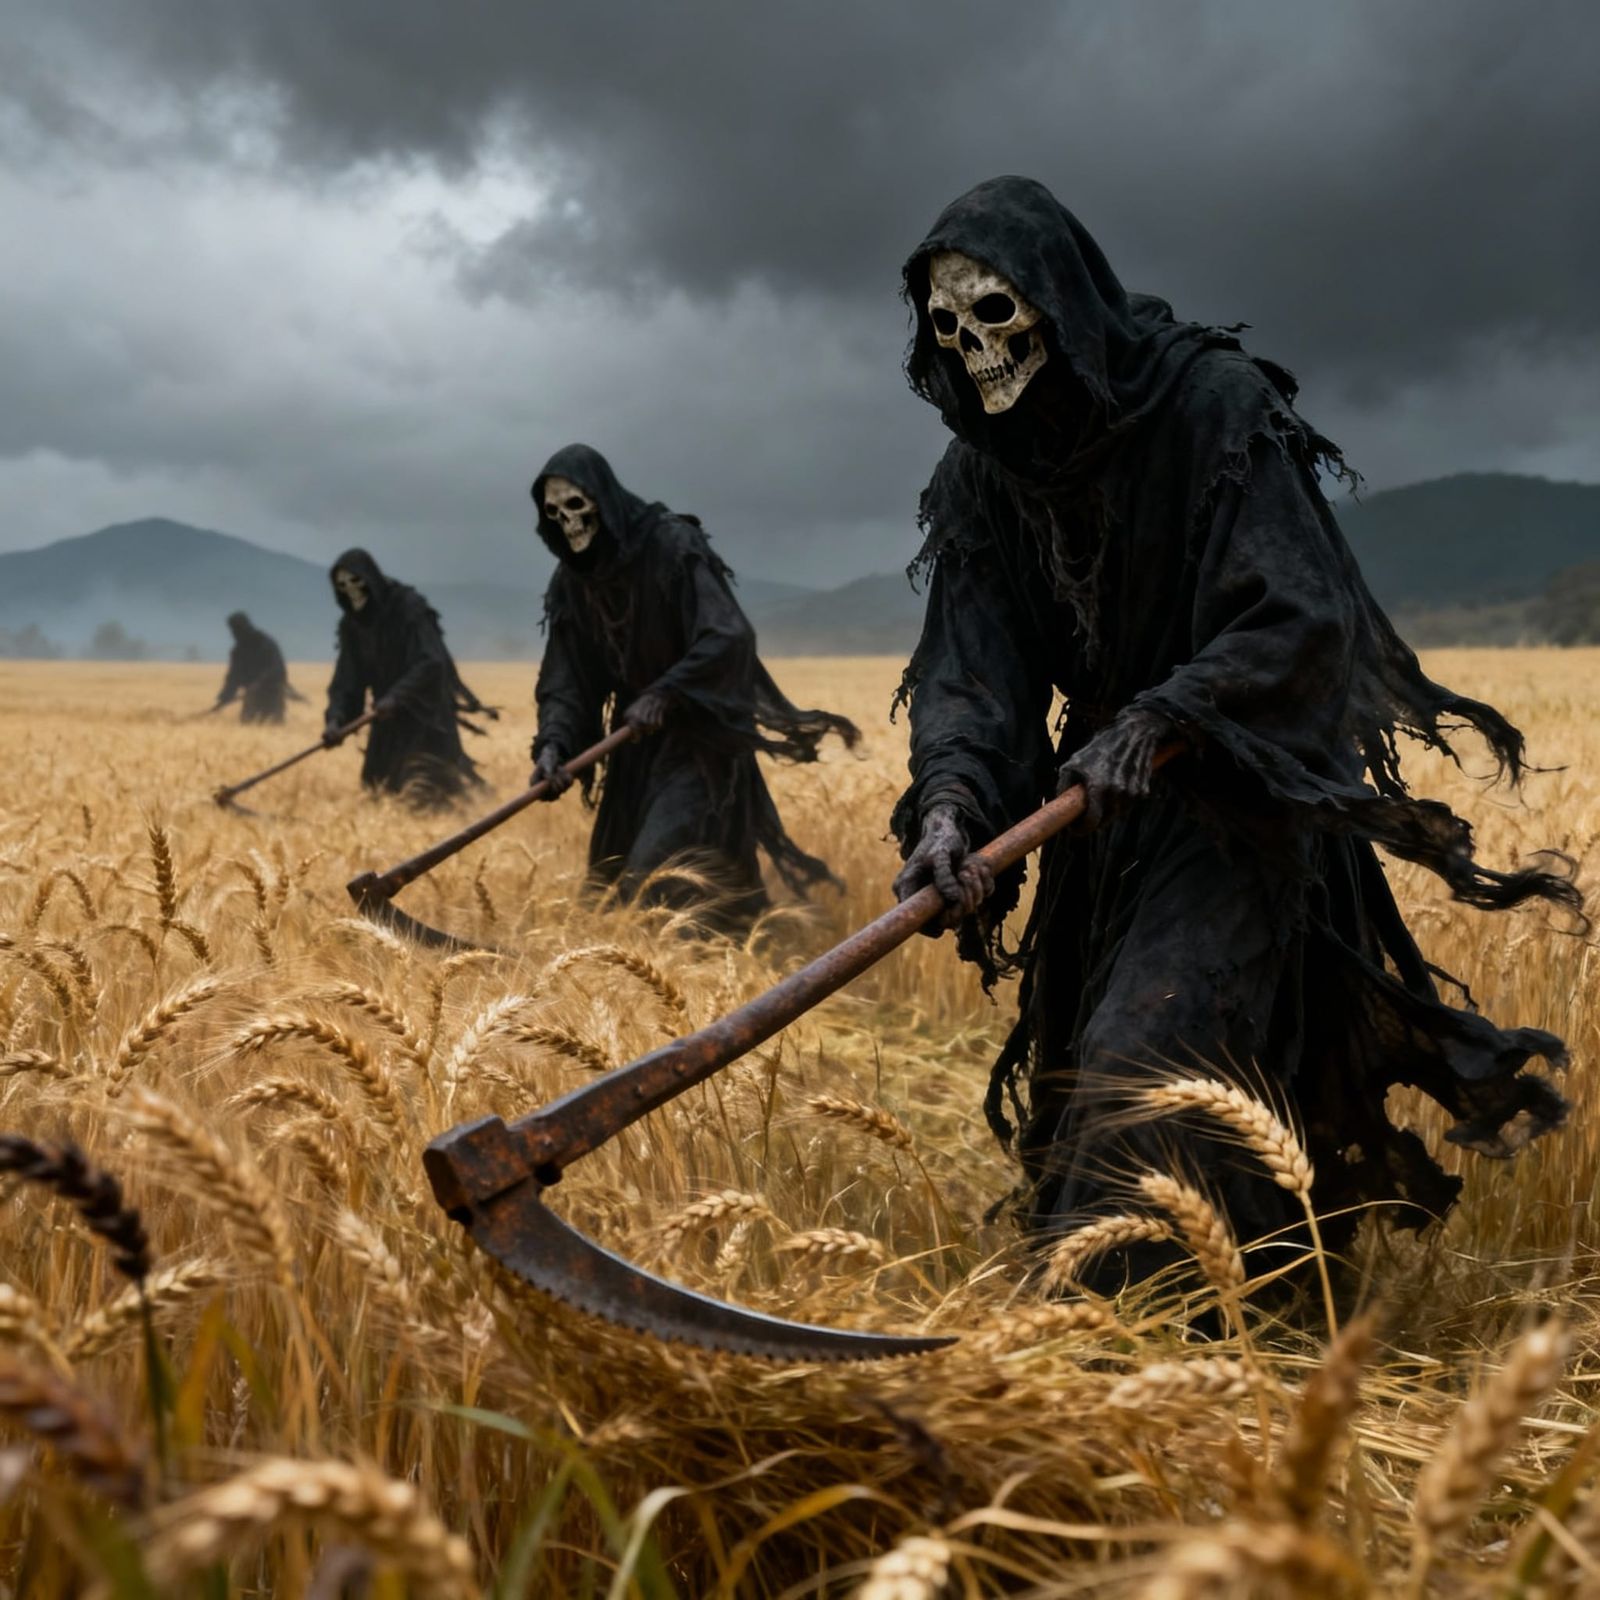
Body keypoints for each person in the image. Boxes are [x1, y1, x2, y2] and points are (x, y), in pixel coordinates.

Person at [888, 176, 1582, 1283]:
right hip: (1098, 817)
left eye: (995, 311)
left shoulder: (1205, 404)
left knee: (1151, 1061)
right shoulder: (981, 475)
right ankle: (1214, 1323)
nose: (974, 346)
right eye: (945, 325)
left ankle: (1117, 1352)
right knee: (1093, 1079)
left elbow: (1301, 615)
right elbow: (974, 675)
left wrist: (1171, 713)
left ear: (1058, 297)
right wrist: (950, 809)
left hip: (1234, 801)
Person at [530, 443, 858, 931]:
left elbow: (727, 635)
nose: (568, 523)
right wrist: (554, 745)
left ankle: (719, 981)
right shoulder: (572, 582)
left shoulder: (671, 546)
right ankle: (702, 979)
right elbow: (566, 679)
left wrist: (666, 692)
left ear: (604, 498)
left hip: (698, 738)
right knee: (609, 888)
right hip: (635, 749)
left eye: (576, 506)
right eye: (554, 514)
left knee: (654, 876)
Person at [322, 548, 491, 806]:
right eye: (342, 585)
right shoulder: (352, 626)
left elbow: (432, 662)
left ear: (370, 578)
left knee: (430, 791)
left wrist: (397, 697)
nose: (351, 590)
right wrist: (336, 719)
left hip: (425, 715)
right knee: (378, 788)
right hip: (386, 718)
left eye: (356, 581)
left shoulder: (408, 608)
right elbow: (347, 679)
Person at [212, 611, 293, 724]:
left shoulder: (265, 644)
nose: (234, 633)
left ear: (244, 628)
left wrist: (259, 683)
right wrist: (226, 696)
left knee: (273, 725)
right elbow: (233, 676)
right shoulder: (238, 650)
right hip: (251, 697)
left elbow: (276, 668)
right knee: (247, 725)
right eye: (233, 630)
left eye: (236, 629)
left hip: (272, 694)